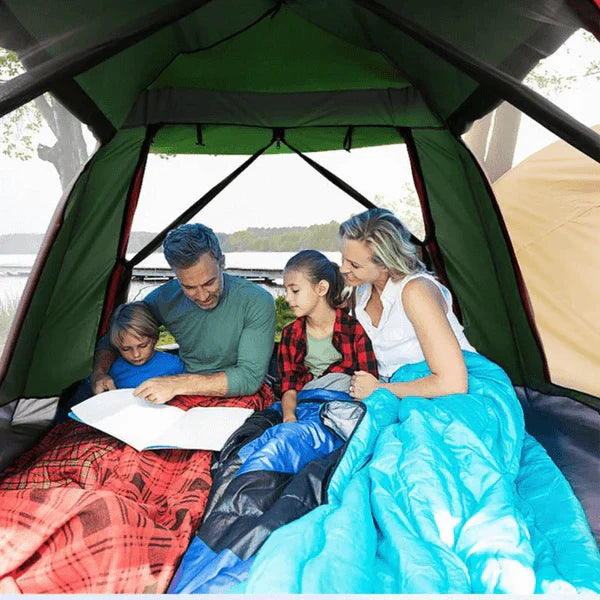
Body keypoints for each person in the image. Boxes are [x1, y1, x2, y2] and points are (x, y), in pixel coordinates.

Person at [91, 223, 276, 404]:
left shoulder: (256, 301)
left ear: (222, 262)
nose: (202, 296)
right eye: (189, 287)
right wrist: (99, 374)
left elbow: (249, 378)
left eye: (209, 283)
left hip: (238, 392)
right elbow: (113, 338)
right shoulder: (164, 298)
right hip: (184, 390)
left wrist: (175, 384)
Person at [338, 208, 477, 400]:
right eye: (343, 258)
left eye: (354, 265)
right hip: (396, 389)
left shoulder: (416, 291)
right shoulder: (360, 292)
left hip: (451, 393)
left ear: (385, 263)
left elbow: (453, 384)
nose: (343, 269)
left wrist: (378, 389)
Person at [279, 250, 378, 422]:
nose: (288, 298)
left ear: (322, 288)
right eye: (285, 290)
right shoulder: (290, 334)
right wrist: (289, 418)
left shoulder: (353, 330)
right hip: (304, 405)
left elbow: (367, 384)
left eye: (295, 290)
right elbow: (289, 388)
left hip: (343, 408)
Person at [106, 301, 185, 388]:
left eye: (142, 346)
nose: (136, 354)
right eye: (126, 349)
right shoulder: (116, 370)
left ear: (155, 339)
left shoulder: (174, 365)